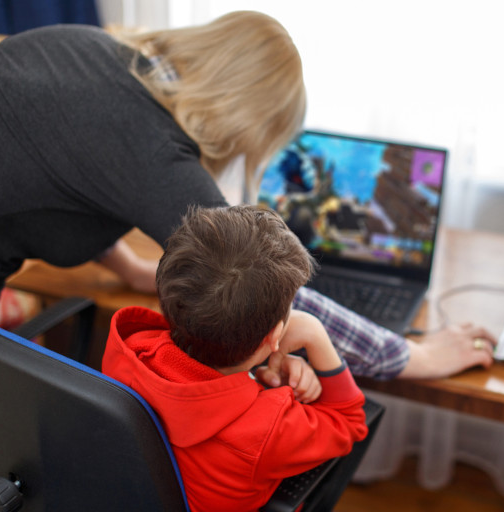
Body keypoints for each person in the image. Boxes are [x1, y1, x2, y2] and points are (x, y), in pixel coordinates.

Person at [0, 10, 495, 510]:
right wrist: (411, 355)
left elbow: (59, 180)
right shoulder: (155, 153)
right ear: (248, 120)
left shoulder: (90, 50)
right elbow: (276, 289)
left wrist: (127, 268)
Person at [102, 204, 368, 511]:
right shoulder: (268, 429)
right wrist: (315, 334)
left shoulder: (130, 346)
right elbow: (350, 422)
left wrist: (261, 382)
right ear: (274, 337)